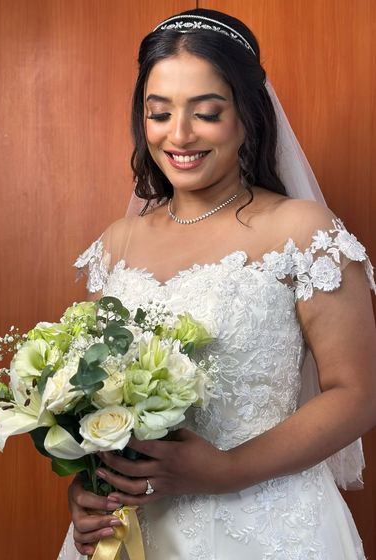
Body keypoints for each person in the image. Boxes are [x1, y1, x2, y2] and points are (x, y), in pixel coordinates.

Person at [58, 8, 376, 560]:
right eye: (159, 114)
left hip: (270, 521)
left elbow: (358, 394)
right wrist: (88, 488)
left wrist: (227, 469)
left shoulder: (302, 231)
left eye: (205, 112)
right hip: (137, 528)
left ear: (246, 116)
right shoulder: (117, 243)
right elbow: (97, 394)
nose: (178, 135)